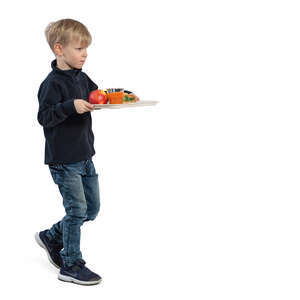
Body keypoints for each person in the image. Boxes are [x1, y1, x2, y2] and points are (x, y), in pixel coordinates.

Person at [35, 18, 138, 285]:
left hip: (85, 156)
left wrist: (120, 96)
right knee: (76, 211)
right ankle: (70, 263)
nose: (85, 54)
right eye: (79, 48)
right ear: (59, 49)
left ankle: (52, 235)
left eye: (86, 48)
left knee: (91, 210)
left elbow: (97, 95)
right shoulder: (51, 84)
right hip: (63, 160)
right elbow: (44, 117)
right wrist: (70, 106)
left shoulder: (81, 77)